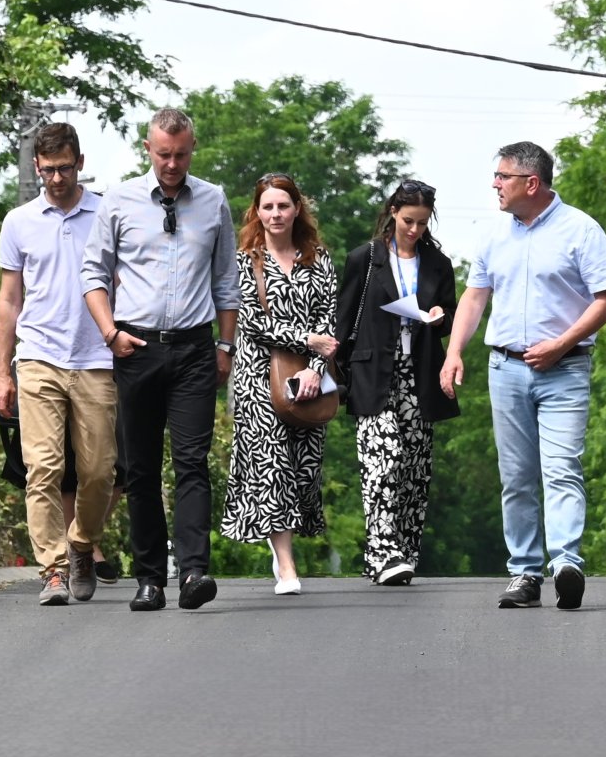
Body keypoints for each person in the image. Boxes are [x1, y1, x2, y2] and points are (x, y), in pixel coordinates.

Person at [442, 142, 606, 610]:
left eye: (502, 176)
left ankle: (566, 565)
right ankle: (524, 574)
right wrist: (454, 351)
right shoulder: (494, 235)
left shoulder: (581, 230)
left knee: (562, 470)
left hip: (564, 369)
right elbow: (475, 297)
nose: (495, 184)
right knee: (517, 477)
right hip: (505, 368)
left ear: (531, 183)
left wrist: (561, 343)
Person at [82, 108, 238, 612]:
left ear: (193, 149)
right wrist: (110, 333)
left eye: (181, 154)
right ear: (148, 149)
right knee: (141, 468)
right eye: (163, 154)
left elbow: (225, 281)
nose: (172, 164)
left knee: (192, 462)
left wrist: (225, 346)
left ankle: (194, 571)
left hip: (194, 348)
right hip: (137, 347)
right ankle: (149, 577)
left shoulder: (212, 200)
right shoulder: (120, 200)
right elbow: (93, 274)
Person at [0, 123, 118, 606]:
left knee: (99, 471)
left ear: (80, 162)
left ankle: (83, 542)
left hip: (96, 357)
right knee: (42, 467)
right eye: (47, 170)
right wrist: (3, 371)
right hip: (39, 357)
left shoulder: (107, 212)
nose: (57, 178)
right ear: (36, 168)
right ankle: (52, 568)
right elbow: (10, 299)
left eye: (65, 168)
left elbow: (125, 279)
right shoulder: (19, 221)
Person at [334, 179, 459, 585]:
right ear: (392, 212)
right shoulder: (364, 259)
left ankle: (401, 553)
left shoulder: (438, 264)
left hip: (419, 372)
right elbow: (344, 321)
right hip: (373, 373)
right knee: (382, 462)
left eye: (422, 223)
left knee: (414, 469)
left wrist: (441, 316)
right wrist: (337, 372)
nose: (414, 230)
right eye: (408, 220)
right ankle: (383, 551)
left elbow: (453, 322)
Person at [221, 174, 341, 595]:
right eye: (267, 207)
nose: (275, 214)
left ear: (296, 210)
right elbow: (249, 321)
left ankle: (284, 548)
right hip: (257, 376)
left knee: (302, 467)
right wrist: (305, 339)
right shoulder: (244, 261)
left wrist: (314, 366)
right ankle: (287, 567)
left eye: (283, 206)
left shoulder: (318, 259)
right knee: (272, 467)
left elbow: (329, 315)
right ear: (257, 211)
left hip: (311, 377)